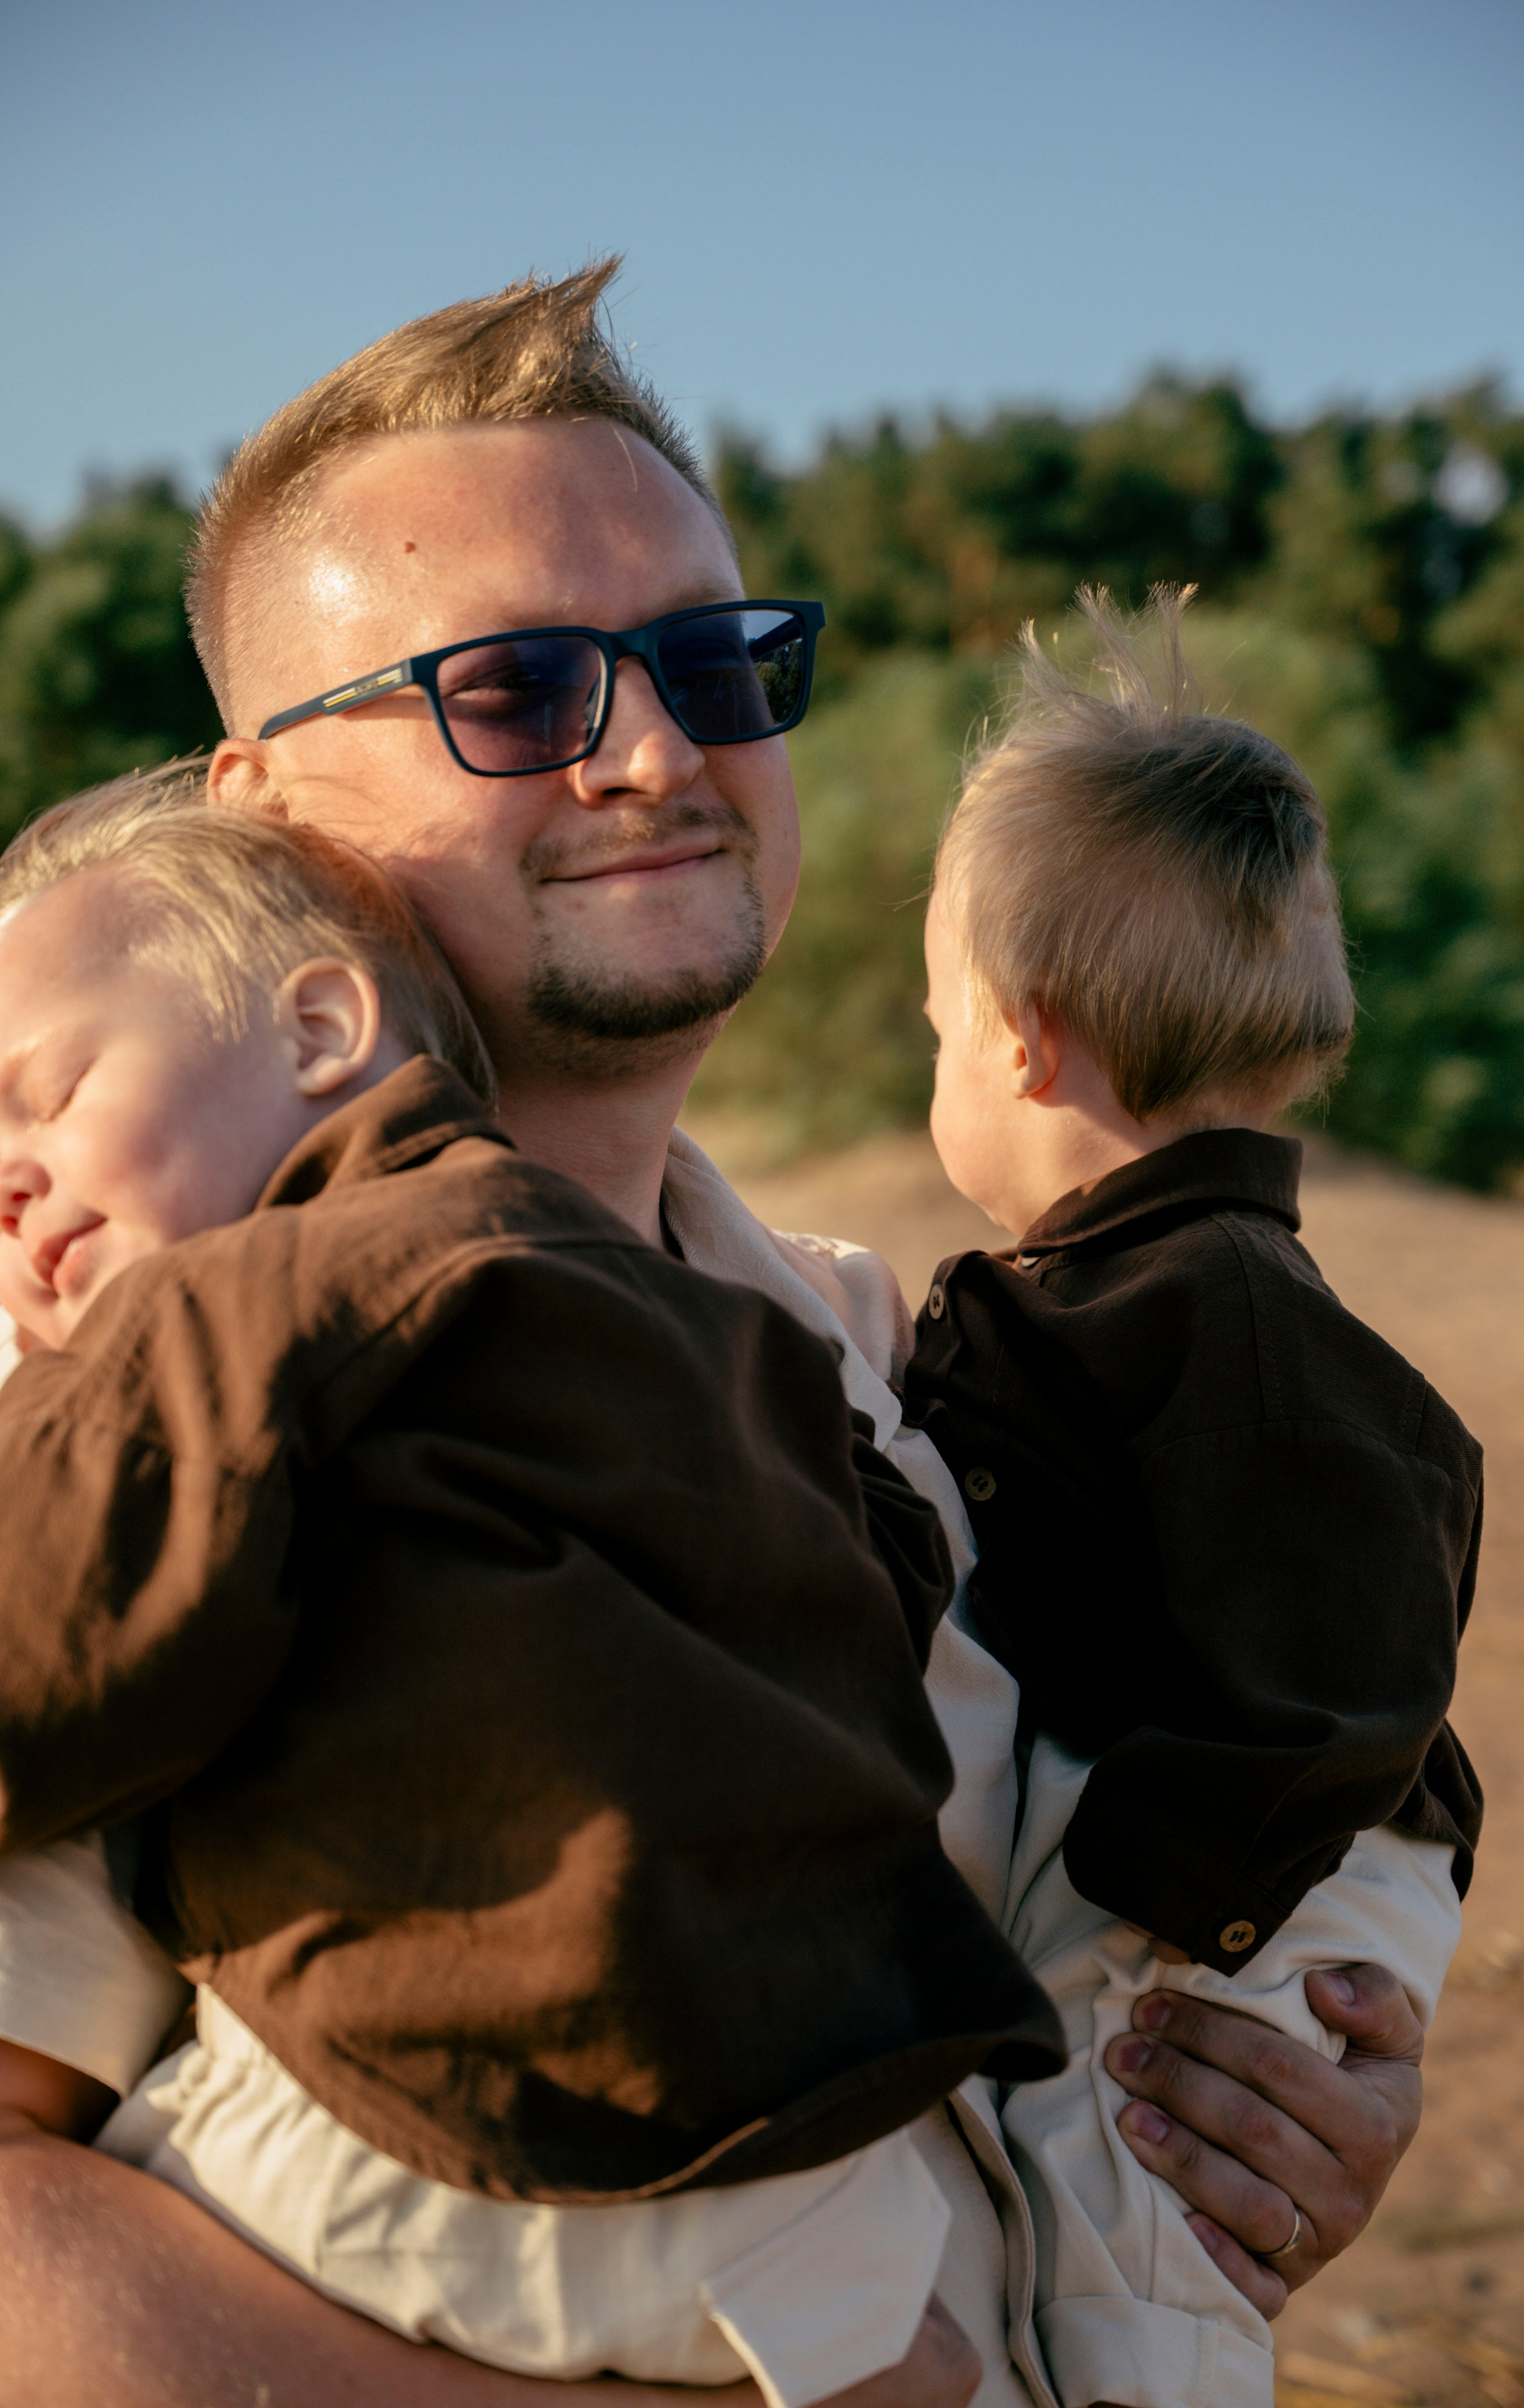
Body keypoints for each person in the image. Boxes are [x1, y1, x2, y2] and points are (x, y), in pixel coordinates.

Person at [0, 263, 1436, 2408]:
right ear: (268, 809)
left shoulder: (899, 1364)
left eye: (710, 660)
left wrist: (1263, 2107)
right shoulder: (123, 1388)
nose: (658, 750)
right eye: (513, 690)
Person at [0, 782, 1065, 2407]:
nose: (8, 1180)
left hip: (475, 2143)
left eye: (48, 1096)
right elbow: (890, 1584)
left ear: (322, 1030)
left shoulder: (228, 1311)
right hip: (835, 2183)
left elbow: (48, 1637)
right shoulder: (748, 1338)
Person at [902, 594, 1483, 2408]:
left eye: (932, 1030)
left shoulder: (1225, 1313)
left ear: (1019, 1039)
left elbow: (1370, 1645)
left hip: (1251, 1883)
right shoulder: (1120, 1294)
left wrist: (1165, 1885)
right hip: (1211, 1854)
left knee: (1141, 2252)